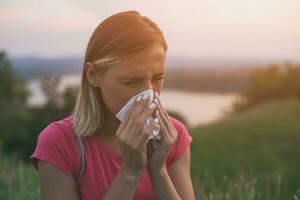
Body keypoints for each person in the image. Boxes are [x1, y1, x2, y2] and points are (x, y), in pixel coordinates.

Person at [30, 10, 195, 200]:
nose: (148, 93)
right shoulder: (60, 143)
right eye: (131, 82)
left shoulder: (173, 137)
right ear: (93, 75)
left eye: (158, 78)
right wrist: (130, 173)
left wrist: (159, 171)